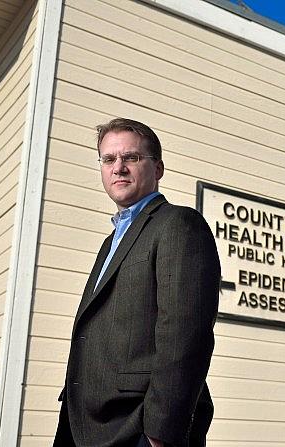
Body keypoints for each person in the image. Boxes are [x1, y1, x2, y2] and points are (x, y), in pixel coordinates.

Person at [54, 118, 221, 446]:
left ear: (157, 168)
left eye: (131, 158)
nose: (118, 168)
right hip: (82, 426)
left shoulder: (178, 225)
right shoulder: (111, 241)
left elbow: (184, 333)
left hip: (138, 428)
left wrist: (160, 432)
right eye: (108, 159)